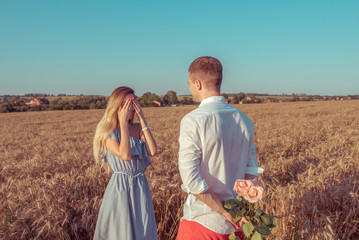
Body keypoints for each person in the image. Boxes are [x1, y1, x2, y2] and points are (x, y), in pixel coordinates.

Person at [177, 57, 263, 240]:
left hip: (202, 224)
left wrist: (224, 212)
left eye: (189, 84)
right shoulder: (244, 119)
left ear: (197, 83)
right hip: (238, 227)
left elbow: (192, 181)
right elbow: (252, 171)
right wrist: (241, 212)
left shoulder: (193, 120)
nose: (189, 89)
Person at [93, 86, 158, 240]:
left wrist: (142, 118)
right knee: (121, 231)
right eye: (128, 104)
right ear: (118, 106)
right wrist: (122, 124)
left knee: (143, 229)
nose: (132, 108)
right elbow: (125, 154)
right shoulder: (107, 133)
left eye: (134, 103)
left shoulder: (138, 128)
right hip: (121, 188)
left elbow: (153, 151)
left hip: (141, 186)